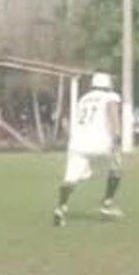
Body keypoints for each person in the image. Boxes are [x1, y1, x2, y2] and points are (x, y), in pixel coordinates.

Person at [53, 72, 124, 227]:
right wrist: (117, 137)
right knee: (116, 169)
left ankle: (60, 208)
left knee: (70, 179)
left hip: (78, 143)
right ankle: (107, 203)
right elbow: (113, 115)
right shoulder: (110, 97)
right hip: (100, 142)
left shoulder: (83, 99)